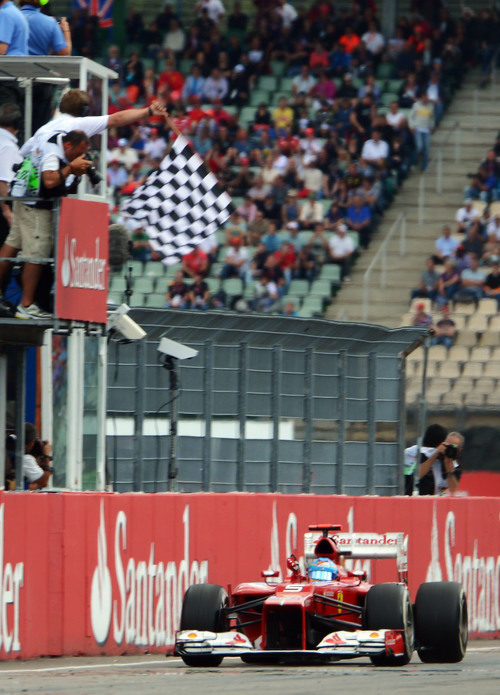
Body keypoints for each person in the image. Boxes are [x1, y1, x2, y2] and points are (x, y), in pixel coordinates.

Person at [2, 130, 91, 319]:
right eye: (78, 153)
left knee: (12, 245)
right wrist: (70, 168)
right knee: (37, 254)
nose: (79, 157)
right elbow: (50, 181)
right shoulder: (53, 153)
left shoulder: (50, 137)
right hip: (34, 205)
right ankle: (26, 305)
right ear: (68, 145)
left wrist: (74, 173)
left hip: (22, 197)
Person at [404, 423, 447, 496]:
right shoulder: (412, 452)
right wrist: (435, 454)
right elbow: (415, 476)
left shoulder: (442, 457)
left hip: (434, 497)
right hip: (412, 496)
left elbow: (445, 487)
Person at [418, 429, 463, 496]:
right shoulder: (428, 454)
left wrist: (449, 470)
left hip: (441, 499)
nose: (451, 449)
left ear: (459, 450)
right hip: (424, 497)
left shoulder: (456, 466)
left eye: (454, 447)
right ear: (443, 443)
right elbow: (418, 475)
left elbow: (453, 490)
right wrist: (436, 453)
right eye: (449, 445)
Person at [22, 422, 53, 490]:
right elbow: (44, 482)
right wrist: (46, 456)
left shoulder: (13, 452)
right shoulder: (25, 459)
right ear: (31, 442)